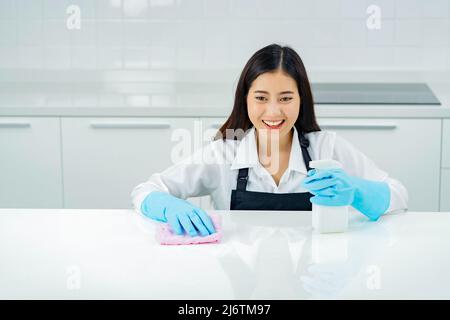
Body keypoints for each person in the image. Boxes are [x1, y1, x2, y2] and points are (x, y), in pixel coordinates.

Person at [131, 43, 408, 237]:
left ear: (302, 99)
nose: (273, 112)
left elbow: (398, 194)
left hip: (313, 278)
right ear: (245, 99)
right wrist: (167, 205)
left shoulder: (327, 148)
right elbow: (146, 190)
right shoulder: (223, 154)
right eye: (261, 98)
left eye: (286, 98)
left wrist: (358, 192)